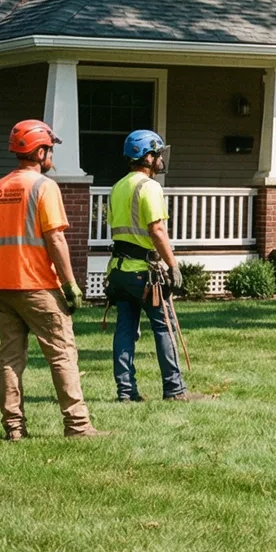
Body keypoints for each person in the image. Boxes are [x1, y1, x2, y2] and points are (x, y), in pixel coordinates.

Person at [0, 120, 99, 440]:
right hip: (38, 285)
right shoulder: (44, 187)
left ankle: (14, 429)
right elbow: (56, 239)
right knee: (62, 354)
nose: (51, 156)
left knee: (10, 359)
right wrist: (70, 284)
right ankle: (78, 426)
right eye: (49, 149)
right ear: (39, 152)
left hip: (3, 286)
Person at [107, 129, 195, 402]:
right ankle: (174, 389)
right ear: (147, 157)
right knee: (164, 327)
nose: (160, 159)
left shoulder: (117, 187)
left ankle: (126, 392)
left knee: (124, 330)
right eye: (157, 154)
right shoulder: (150, 187)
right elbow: (156, 230)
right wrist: (173, 265)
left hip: (119, 272)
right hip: (145, 274)